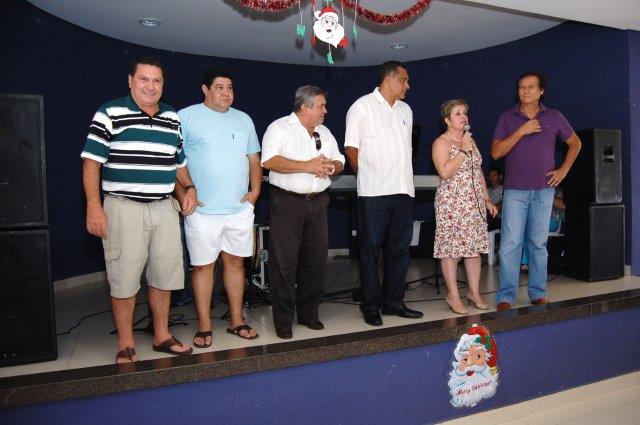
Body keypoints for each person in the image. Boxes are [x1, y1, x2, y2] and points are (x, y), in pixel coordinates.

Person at [81, 56, 195, 363]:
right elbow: (91, 163)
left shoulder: (172, 116)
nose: (150, 86)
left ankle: (162, 336)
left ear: (163, 85)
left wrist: (190, 188)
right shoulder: (110, 112)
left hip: (164, 208)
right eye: (144, 79)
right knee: (124, 277)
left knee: (164, 274)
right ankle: (126, 342)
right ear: (130, 81)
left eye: (157, 80)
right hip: (123, 207)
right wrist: (94, 206)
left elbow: (179, 163)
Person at [177, 67, 262, 347]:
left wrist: (255, 192)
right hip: (201, 211)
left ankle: (237, 320)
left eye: (230, 87)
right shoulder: (185, 117)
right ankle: (204, 325)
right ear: (205, 89)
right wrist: (183, 194)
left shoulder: (244, 119)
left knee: (236, 263)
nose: (226, 93)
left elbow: (254, 159)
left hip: (238, 209)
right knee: (203, 267)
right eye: (219, 87)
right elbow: (175, 160)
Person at [491, 72, 581, 311]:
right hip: (515, 191)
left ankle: (538, 292)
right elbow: (496, 152)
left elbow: (575, 142)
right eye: (522, 87)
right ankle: (505, 296)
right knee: (510, 243)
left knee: (538, 243)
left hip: (544, 191)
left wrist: (563, 170)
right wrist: (521, 131)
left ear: (541, 91)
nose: (526, 91)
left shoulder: (554, 116)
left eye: (531, 87)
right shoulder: (508, 118)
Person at [261, 85, 345, 339]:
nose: (325, 111)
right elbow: (269, 160)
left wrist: (331, 167)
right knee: (284, 264)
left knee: (316, 261)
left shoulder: (324, 132)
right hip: (287, 203)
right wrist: (307, 166)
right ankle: (283, 321)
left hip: (318, 203)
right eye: (321, 106)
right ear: (305, 107)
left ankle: (309, 314)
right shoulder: (279, 128)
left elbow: (340, 160)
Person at [344, 61, 423, 326]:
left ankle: (393, 302)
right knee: (370, 252)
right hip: (374, 193)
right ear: (388, 79)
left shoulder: (406, 110)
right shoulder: (361, 107)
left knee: (400, 251)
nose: (408, 85)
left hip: (404, 190)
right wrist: (366, 177)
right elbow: (351, 149)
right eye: (404, 80)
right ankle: (370, 306)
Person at [432, 99, 498, 315]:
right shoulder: (441, 143)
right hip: (452, 204)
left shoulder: (470, 141)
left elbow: (477, 172)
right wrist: (462, 151)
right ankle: (453, 295)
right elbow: (445, 173)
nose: (463, 117)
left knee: (473, 250)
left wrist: (487, 199)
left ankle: (473, 293)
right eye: (458, 113)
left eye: (465, 113)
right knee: (451, 250)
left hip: (473, 204)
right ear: (447, 120)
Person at [487, 166, 503, 231]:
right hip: (488, 218)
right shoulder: (487, 191)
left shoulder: (503, 190)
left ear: (500, 176)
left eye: (494, 175)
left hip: (498, 219)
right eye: (490, 175)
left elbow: (501, 206)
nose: (492, 178)